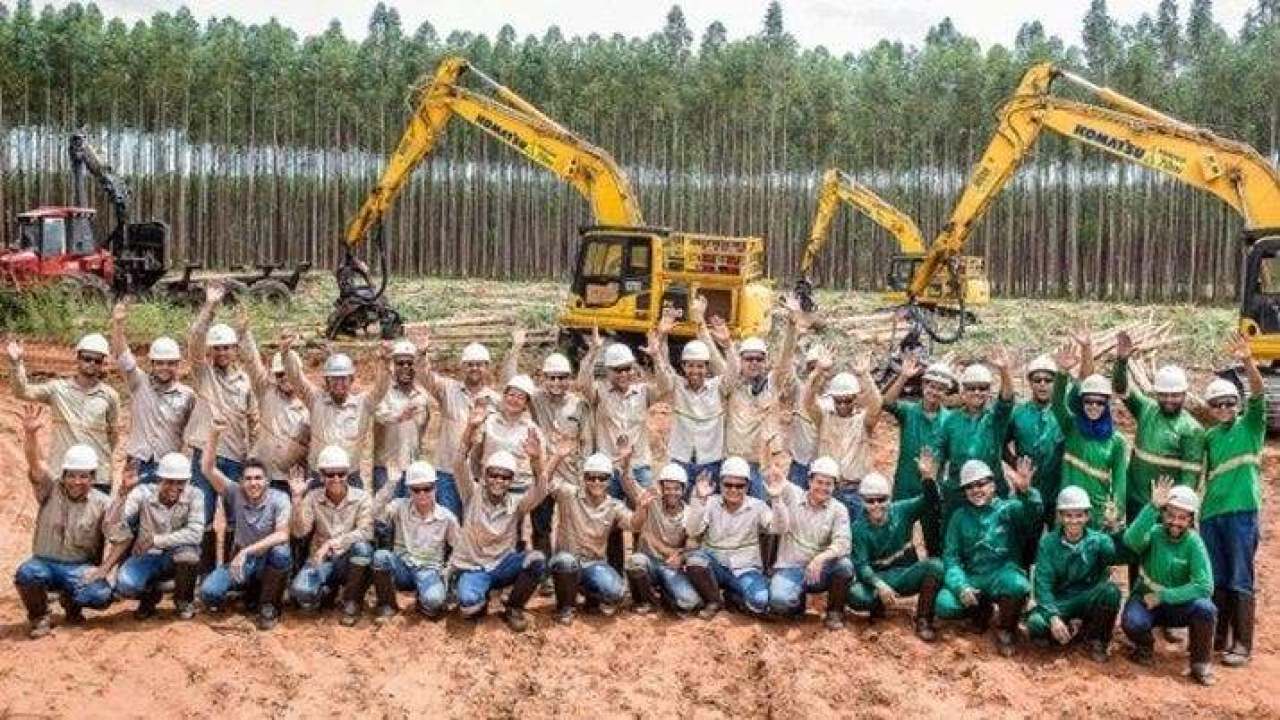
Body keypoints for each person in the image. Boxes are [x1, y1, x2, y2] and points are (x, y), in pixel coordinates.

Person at [13, 405, 115, 638]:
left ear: (93, 478)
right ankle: (40, 617)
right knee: (27, 573)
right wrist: (31, 434)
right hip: (45, 563)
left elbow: (121, 537)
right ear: (64, 474)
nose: (76, 481)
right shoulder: (50, 489)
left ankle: (72, 604)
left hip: (78, 567)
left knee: (100, 595)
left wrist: (104, 569)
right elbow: (35, 463)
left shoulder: (102, 502)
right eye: (72, 475)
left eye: (84, 476)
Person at [451, 430, 561, 632]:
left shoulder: (516, 504)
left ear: (511, 481)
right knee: (469, 606)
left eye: (505, 477)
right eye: (494, 474)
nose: (499, 480)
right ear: (485, 476)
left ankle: (513, 607)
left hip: (502, 566)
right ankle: (479, 597)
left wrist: (536, 460)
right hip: (474, 567)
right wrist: (469, 430)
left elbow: (541, 489)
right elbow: (458, 463)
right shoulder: (471, 495)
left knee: (536, 559)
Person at [1200, 334, 1266, 668]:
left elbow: (1258, 393)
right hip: (1211, 515)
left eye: (1229, 403)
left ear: (1236, 405)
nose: (1224, 409)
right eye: (1217, 404)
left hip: (1241, 514)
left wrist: (1248, 362)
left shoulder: (1252, 426)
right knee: (1218, 576)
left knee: (1241, 576)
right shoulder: (1209, 437)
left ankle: (1242, 644)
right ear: (1209, 410)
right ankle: (1219, 637)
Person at [935, 457, 1042, 657]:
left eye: (981, 484)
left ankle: (1006, 629)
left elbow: (1033, 515)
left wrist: (1027, 492)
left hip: (1001, 574)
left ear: (993, 484)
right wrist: (961, 587)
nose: (976, 490)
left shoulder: (1010, 509)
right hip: (973, 577)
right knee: (944, 604)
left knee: (1018, 585)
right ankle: (980, 611)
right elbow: (951, 559)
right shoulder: (958, 517)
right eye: (969, 487)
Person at [185, 282, 257, 573]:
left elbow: (253, 419)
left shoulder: (245, 382)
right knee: (201, 518)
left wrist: (251, 455)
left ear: (235, 349)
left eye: (228, 347)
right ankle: (202, 577)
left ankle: (228, 576)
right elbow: (194, 340)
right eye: (218, 348)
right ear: (211, 351)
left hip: (236, 459)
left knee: (233, 518)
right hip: (205, 458)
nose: (223, 352)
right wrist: (210, 306)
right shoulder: (203, 375)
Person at [502, 334, 592, 562]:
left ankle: (565, 568)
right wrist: (516, 348)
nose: (556, 383)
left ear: (569, 378)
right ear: (543, 378)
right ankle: (544, 577)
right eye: (551, 378)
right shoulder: (535, 400)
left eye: (562, 378)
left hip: (570, 477)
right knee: (540, 526)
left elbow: (586, 442)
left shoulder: (579, 405)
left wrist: (585, 475)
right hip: (542, 475)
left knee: (569, 526)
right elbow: (510, 383)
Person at [197, 421, 293, 631]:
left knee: (281, 553)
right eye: (248, 479)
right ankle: (248, 592)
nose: (253, 483)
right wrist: (213, 435)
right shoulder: (234, 492)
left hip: (266, 559)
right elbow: (207, 468)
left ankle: (268, 606)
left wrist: (247, 551)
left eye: (258, 478)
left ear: (267, 481)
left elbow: (282, 535)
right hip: (244, 561)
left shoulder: (280, 498)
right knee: (209, 593)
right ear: (241, 482)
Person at [1120, 480, 1216, 685]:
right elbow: (1130, 540)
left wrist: (1163, 596)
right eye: (1170, 515)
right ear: (1163, 514)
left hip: (1177, 605)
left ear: (1191, 519)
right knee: (1132, 622)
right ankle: (1145, 648)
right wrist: (1151, 507)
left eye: (1182, 518)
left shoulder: (1194, 543)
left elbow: (1204, 585)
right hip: (1146, 599)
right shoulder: (1154, 533)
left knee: (1205, 609)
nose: (1175, 522)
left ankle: (1200, 663)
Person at [578, 330, 660, 570]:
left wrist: (658, 355)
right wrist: (593, 351)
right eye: (617, 370)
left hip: (639, 467)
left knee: (642, 519)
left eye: (627, 368)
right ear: (608, 371)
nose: (623, 374)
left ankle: (638, 572)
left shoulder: (643, 393)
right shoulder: (600, 393)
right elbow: (582, 382)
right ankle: (614, 571)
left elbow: (668, 386)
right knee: (611, 522)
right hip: (609, 470)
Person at [1112, 330, 1204, 528]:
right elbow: (1120, 389)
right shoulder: (1146, 409)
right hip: (1135, 498)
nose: (1169, 399)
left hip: (1165, 508)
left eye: (1175, 395)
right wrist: (1121, 362)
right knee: (1134, 548)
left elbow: (1190, 477)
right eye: (1164, 394)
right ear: (1156, 394)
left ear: (1184, 394)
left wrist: (1179, 512)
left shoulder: (1192, 429)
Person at [547, 450, 650, 625]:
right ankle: (566, 607)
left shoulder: (614, 506)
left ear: (609, 480)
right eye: (591, 477)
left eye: (602, 478)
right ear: (584, 478)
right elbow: (545, 481)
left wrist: (641, 507)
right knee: (565, 562)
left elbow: (634, 525)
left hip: (594, 564)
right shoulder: (568, 494)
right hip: (568, 561)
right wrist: (558, 456)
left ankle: (589, 598)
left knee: (616, 593)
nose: (596, 482)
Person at [848, 455, 943, 641]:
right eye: (870, 500)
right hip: (879, 579)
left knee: (937, 566)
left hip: (905, 574)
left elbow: (930, 500)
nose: (876, 505)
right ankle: (878, 608)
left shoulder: (902, 510)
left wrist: (927, 478)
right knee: (856, 596)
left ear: (889, 498)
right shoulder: (858, 529)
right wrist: (879, 584)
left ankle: (923, 619)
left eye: (881, 499)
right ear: (862, 501)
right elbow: (861, 565)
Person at [7, 333, 120, 489]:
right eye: (87, 358)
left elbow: (113, 436)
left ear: (102, 364)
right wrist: (16, 363)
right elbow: (22, 392)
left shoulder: (110, 396)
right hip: (62, 474)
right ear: (78, 358)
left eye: (98, 360)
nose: (92, 363)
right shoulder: (58, 389)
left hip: (97, 477)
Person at [1024, 486, 1123, 662]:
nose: (1074, 521)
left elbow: (1115, 554)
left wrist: (1113, 529)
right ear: (1060, 516)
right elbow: (1042, 584)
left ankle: (1097, 640)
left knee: (1111, 592)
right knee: (1036, 623)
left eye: (1079, 515)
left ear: (1087, 516)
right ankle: (1064, 632)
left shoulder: (1098, 540)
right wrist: (1053, 617)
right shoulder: (1048, 544)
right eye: (1068, 515)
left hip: (1088, 597)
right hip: (1061, 601)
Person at [280, 335, 391, 491]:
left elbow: (381, 388)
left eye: (343, 379)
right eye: (334, 379)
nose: (339, 383)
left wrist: (386, 362)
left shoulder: (363, 404)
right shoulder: (315, 400)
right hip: (319, 476)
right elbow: (296, 379)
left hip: (350, 477)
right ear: (327, 381)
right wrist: (286, 353)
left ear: (351, 379)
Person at [650, 299, 738, 493]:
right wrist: (662, 335)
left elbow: (733, 372)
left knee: (705, 508)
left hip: (710, 461)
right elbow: (664, 371)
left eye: (700, 366)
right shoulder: (677, 386)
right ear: (683, 367)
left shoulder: (718, 387)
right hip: (680, 459)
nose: (695, 371)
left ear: (707, 368)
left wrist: (728, 345)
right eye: (690, 365)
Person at [106, 452, 204, 620]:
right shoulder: (142, 493)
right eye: (169, 481)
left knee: (189, 556)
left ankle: (183, 601)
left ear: (187, 481)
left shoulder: (195, 495)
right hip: (146, 557)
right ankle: (149, 597)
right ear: (159, 479)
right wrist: (123, 495)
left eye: (180, 482)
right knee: (126, 586)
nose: (175, 487)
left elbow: (196, 533)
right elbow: (115, 524)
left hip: (175, 556)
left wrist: (155, 540)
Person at [683, 456, 785, 618]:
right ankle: (714, 600)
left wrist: (777, 499)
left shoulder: (757, 506)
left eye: (739, 486)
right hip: (715, 566)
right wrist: (700, 500)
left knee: (760, 602)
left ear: (747, 486)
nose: (733, 490)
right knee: (695, 560)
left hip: (745, 569)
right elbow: (692, 531)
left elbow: (779, 528)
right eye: (728, 484)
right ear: (720, 484)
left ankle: (733, 596)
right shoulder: (710, 503)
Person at [722, 295, 802, 497]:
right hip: (734, 462)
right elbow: (722, 364)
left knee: (761, 516)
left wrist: (792, 325)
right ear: (741, 360)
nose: (754, 363)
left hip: (762, 464)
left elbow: (786, 360)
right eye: (749, 358)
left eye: (759, 358)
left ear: (765, 361)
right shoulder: (731, 385)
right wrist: (725, 344)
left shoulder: (772, 384)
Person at [110, 299, 195, 484]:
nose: (165, 367)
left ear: (178, 365)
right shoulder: (139, 383)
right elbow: (122, 355)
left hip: (169, 466)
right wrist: (118, 324)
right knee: (131, 511)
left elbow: (192, 432)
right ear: (152, 363)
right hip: (137, 462)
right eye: (160, 362)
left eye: (171, 363)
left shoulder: (187, 395)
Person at [289, 445, 374, 626]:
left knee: (363, 549)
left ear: (348, 474)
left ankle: (351, 600)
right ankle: (328, 590)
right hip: (322, 561)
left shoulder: (362, 498)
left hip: (348, 561)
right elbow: (299, 532)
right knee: (302, 594)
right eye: (330, 474)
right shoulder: (312, 497)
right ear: (321, 476)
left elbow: (366, 531)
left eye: (341, 473)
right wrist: (296, 499)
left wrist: (332, 543)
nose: (336, 479)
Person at [932, 350, 1016, 531]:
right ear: (963, 391)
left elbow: (1007, 399)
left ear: (989, 391)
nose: (977, 392)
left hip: (992, 489)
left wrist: (1004, 371)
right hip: (958, 491)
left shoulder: (996, 418)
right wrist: (936, 484)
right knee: (955, 535)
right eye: (971, 388)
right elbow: (939, 455)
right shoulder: (950, 421)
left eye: (982, 388)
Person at [766, 455, 853, 630]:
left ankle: (834, 612)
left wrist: (820, 558)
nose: (823, 488)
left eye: (828, 484)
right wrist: (775, 476)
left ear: (835, 486)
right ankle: (796, 605)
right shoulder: (792, 494)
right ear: (809, 481)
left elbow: (844, 543)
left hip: (820, 571)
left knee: (844, 566)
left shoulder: (839, 510)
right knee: (779, 601)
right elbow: (779, 482)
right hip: (791, 567)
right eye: (819, 482)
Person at [1049, 338, 1128, 530]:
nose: (1094, 406)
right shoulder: (1072, 427)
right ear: (1082, 402)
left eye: (1100, 402)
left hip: (1097, 510)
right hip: (1069, 508)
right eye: (1088, 401)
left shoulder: (1116, 441)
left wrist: (1116, 510)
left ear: (1107, 404)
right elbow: (1057, 404)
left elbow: (1119, 481)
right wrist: (1062, 374)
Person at [879, 356, 952, 555]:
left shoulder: (950, 421)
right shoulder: (909, 412)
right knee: (899, 537)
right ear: (923, 385)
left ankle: (934, 576)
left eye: (940, 388)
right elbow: (887, 402)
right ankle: (902, 573)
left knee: (934, 538)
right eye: (931, 385)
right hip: (905, 483)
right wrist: (902, 376)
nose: (934, 391)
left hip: (932, 487)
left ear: (946, 392)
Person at [369, 461, 460, 621]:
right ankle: (387, 605)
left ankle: (424, 599)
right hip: (402, 566)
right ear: (409, 490)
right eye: (416, 490)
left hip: (429, 570)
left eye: (427, 488)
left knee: (434, 602)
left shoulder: (446, 517)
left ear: (435, 488)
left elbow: (460, 549)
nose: (422, 494)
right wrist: (390, 484)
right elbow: (374, 512)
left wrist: (447, 572)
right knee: (381, 557)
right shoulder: (399, 507)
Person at [422, 335, 500, 518]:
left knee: (475, 525)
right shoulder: (448, 390)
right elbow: (425, 377)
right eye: (470, 364)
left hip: (480, 476)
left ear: (487, 367)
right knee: (449, 522)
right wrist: (421, 352)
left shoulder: (496, 402)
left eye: (479, 364)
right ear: (462, 367)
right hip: (448, 472)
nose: (474, 368)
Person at [802, 348, 882, 523]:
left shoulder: (863, 421)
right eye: (839, 400)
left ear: (856, 398)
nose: (843, 405)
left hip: (855, 491)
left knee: (854, 538)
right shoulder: (823, 417)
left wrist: (864, 376)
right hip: (828, 490)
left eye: (848, 400)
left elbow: (876, 405)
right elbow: (807, 399)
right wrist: (818, 371)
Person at [236, 310, 310, 492]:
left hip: (293, 478)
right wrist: (244, 333)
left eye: (288, 373)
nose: (284, 378)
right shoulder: (267, 393)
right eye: (279, 374)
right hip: (264, 476)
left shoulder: (311, 403)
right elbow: (252, 363)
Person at [1006, 354, 1065, 566]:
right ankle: (1021, 594)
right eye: (1037, 380)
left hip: (1057, 490)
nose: (1042, 385)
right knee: (1025, 545)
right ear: (1030, 382)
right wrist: (1016, 464)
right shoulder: (1018, 413)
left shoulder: (1062, 412)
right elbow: (1002, 443)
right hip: (1028, 490)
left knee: (1059, 545)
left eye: (1048, 380)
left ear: (1054, 383)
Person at [623, 462, 702, 615]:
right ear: (661, 488)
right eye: (667, 488)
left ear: (684, 490)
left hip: (670, 566)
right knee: (636, 562)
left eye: (676, 488)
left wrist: (680, 556)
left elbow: (693, 545)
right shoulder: (652, 502)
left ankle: (666, 594)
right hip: (649, 564)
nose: (672, 493)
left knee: (689, 602)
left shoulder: (689, 513)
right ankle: (646, 602)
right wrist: (626, 465)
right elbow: (629, 485)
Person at [372, 338, 430, 496]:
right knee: (382, 517)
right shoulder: (382, 393)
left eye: (410, 363)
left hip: (412, 469)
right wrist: (398, 416)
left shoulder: (422, 397)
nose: (406, 367)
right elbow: (379, 416)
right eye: (400, 363)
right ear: (393, 366)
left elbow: (422, 430)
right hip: (386, 468)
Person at [786, 345, 825, 489]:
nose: (817, 373)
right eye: (813, 368)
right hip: (798, 464)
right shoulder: (799, 390)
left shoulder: (836, 399)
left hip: (821, 468)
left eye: (821, 369)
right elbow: (786, 370)